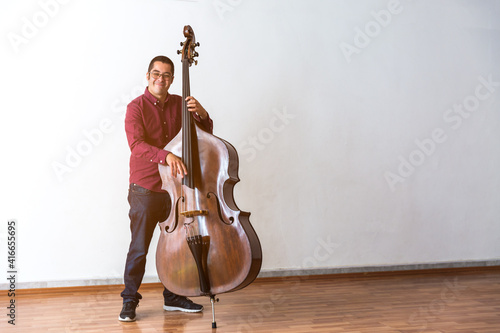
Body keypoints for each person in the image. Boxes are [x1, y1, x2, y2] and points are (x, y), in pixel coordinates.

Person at [119, 55, 213, 322]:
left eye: (167, 75)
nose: (162, 79)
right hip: (146, 188)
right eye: (156, 74)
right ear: (148, 76)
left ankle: (173, 295)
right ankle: (129, 300)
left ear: (172, 79)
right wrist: (166, 156)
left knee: (178, 245)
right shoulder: (135, 107)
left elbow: (203, 135)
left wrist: (202, 114)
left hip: (176, 190)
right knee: (139, 247)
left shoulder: (179, 104)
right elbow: (136, 145)